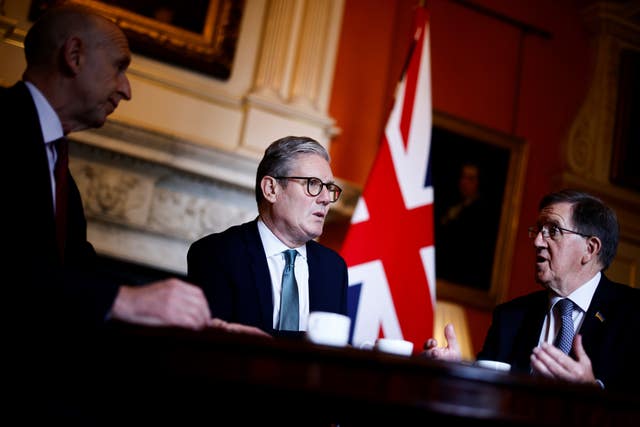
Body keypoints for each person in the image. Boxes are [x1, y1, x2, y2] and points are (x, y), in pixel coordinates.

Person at [423, 189, 640, 393]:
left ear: (590, 249)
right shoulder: (509, 317)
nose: (537, 241)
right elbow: (485, 396)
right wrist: (456, 373)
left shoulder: (633, 314)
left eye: (553, 231)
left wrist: (591, 391)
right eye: (538, 230)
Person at [187, 135, 349, 337]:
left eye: (329, 188)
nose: (326, 199)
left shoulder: (334, 269)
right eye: (313, 184)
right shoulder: (216, 254)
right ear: (271, 189)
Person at [435, 161, 496, 289]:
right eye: (463, 177)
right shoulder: (452, 203)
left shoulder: (482, 212)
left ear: (478, 183)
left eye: (470, 178)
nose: (464, 182)